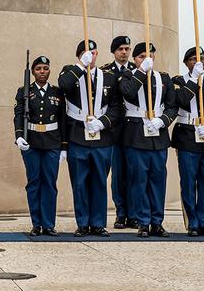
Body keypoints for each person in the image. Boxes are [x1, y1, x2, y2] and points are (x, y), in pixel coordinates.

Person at [58, 40, 123, 237]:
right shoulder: (70, 72)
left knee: (99, 182)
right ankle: (83, 223)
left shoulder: (109, 78)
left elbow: (116, 107)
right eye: (88, 53)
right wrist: (80, 66)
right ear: (80, 55)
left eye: (94, 53)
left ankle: (98, 223)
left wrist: (103, 122)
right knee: (79, 182)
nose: (92, 56)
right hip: (78, 136)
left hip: (102, 137)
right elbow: (63, 86)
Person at [118, 42, 178, 238]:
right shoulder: (127, 75)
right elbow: (128, 92)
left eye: (149, 55)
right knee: (139, 180)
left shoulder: (164, 78)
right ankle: (143, 221)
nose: (146, 59)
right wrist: (141, 72)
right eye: (141, 56)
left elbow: (172, 106)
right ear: (135, 59)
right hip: (136, 135)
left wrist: (163, 121)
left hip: (157, 136)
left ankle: (157, 221)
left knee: (158, 181)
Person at [172, 47, 204, 237]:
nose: (198, 62)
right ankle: (192, 222)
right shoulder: (178, 81)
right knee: (188, 181)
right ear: (186, 63)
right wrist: (194, 79)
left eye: (202, 58)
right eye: (194, 59)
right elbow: (182, 101)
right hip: (187, 135)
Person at [14, 55, 64, 237]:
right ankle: (37, 224)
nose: (42, 72)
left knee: (50, 183)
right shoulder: (24, 91)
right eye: (38, 69)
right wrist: (19, 136)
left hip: (52, 142)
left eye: (45, 68)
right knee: (34, 183)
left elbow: (63, 120)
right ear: (33, 72)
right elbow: (19, 114)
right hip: (32, 143)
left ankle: (49, 224)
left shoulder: (57, 92)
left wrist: (64, 146)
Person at [102, 35, 136, 229]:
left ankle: (133, 214)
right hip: (114, 130)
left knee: (133, 173)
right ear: (114, 51)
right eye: (121, 49)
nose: (124, 52)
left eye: (127, 49)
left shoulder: (136, 70)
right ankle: (121, 213)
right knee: (118, 175)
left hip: (134, 130)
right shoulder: (105, 72)